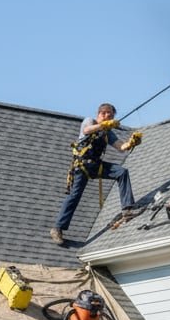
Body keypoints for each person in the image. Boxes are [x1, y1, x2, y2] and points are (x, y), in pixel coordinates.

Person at [51, 103, 138, 244]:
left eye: (110, 115)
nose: (107, 116)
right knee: (74, 196)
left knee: (121, 172)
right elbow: (86, 130)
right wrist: (105, 125)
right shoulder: (89, 121)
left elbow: (120, 147)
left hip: (96, 166)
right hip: (83, 165)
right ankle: (57, 228)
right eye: (104, 114)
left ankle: (127, 210)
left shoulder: (107, 133)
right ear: (99, 114)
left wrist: (131, 143)